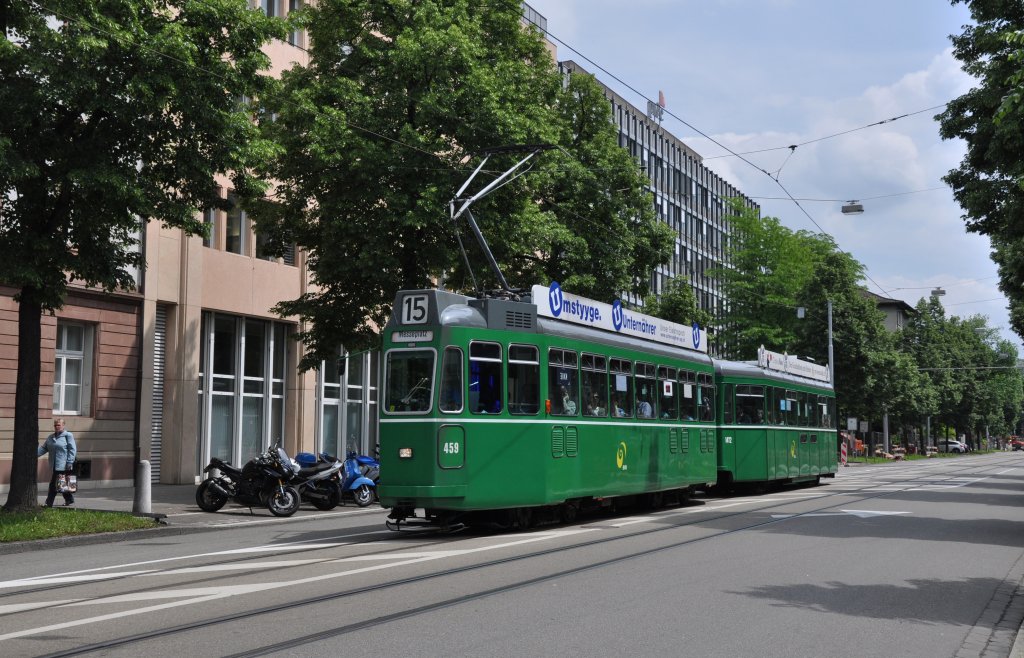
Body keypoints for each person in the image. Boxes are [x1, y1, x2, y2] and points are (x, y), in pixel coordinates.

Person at [38, 417, 77, 507]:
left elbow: (72, 449)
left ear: (63, 426)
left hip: (64, 465)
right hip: (54, 465)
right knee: (61, 484)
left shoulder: (68, 436)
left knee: (53, 484)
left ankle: (49, 503)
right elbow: (44, 448)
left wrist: (70, 462)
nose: (56, 427)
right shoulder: (51, 437)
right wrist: (34, 455)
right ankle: (69, 500)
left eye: (58, 425)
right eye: (55, 425)